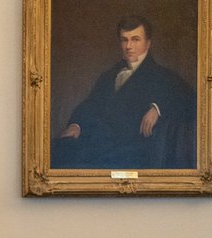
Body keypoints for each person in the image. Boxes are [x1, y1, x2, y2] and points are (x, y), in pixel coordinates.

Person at [53, 15, 195, 169]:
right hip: (93, 144)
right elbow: (91, 104)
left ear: (148, 43)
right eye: (124, 40)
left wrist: (157, 108)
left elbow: (191, 99)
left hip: (130, 153)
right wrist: (76, 124)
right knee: (55, 154)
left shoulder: (162, 75)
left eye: (135, 40)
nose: (128, 46)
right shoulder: (109, 75)